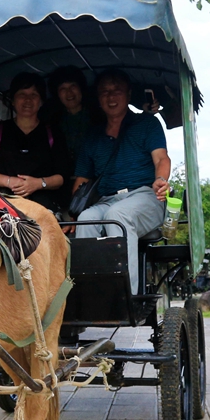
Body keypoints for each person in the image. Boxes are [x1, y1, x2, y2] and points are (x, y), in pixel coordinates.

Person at [72, 70, 170, 294]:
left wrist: (161, 180)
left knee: (117, 215)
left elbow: (161, 158)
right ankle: (90, 296)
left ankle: (126, 295)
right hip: (107, 200)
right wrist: (73, 213)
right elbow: (82, 179)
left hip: (144, 197)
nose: (111, 96)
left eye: (116, 90)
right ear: (98, 98)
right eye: (104, 92)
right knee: (85, 219)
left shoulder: (147, 123)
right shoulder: (93, 136)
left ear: (128, 94)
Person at [0, 72, 70, 212]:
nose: (28, 100)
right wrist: (9, 182)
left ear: (41, 101)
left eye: (34, 95)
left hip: (43, 205)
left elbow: (62, 176)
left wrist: (38, 184)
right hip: (1, 202)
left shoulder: (53, 132)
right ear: (13, 100)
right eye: (22, 94)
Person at [47, 65, 91, 167]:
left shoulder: (96, 115)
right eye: (63, 88)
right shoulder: (52, 120)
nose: (69, 92)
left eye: (73, 86)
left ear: (81, 88)